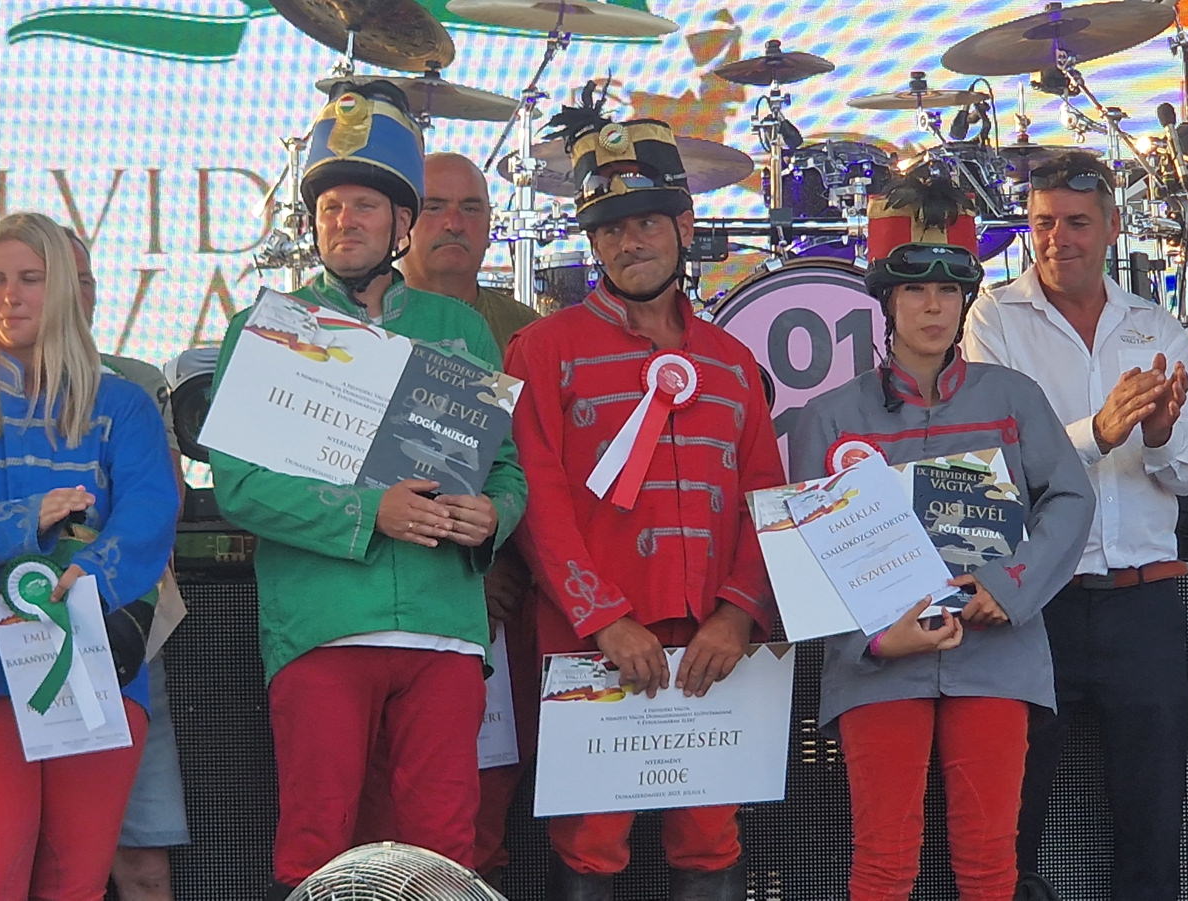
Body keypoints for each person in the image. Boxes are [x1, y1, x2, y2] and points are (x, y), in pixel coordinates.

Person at [206, 81, 526, 899]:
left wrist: (492, 513)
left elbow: (508, 469)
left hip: (445, 630)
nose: (344, 221)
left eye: (363, 206)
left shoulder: (460, 329)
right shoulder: (269, 328)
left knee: (443, 858)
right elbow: (240, 487)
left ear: (401, 222)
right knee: (316, 849)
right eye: (330, 208)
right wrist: (369, 510)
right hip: (323, 626)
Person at [504, 97, 783, 900]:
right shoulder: (541, 349)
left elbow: (766, 497)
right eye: (609, 229)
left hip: (715, 644)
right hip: (592, 639)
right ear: (592, 243)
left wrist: (737, 614)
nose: (629, 242)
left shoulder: (733, 362)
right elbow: (537, 502)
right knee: (589, 841)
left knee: (712, 837)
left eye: (647, 223)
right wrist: (603, 618)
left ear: (684, 226)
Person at [789, 185, 1094, 900]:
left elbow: (1072, 498)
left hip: (995, 656)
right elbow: (810, 551)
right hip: (879, 664)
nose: (933, 307)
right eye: (915, 290)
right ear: (886, 301)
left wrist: (1008, 587)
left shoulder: (1013, 396)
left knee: (990, 864)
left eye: (948, 291)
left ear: (965, 302)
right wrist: (873, 639)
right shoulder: (827, 417)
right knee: (883, 863)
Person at [0, 211, 179, 899]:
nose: (8, 296)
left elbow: (150, 512)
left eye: (29, 278)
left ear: (64, 289)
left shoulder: (125, 405)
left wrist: (91, 574)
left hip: (97, 664)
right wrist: (31, 517)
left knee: (75, 886)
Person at [961, 151, 1188, 900]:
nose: (1057, 239)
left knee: (1153, 825)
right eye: (1043, 222)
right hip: (1037, 601)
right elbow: (992, 464)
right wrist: (1097, 434)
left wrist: (1159, 434)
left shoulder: (1155, 323)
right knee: (1011, 825)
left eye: (1075, 222)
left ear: (1111, 227)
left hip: (1143, 601)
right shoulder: (993, 317)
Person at [397, 151, 540, 887]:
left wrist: (498, 561)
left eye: (472, 207)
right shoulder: (368, 321)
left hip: (504, 599)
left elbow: (534, 470)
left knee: (480, 805)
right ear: (402, 221)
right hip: (387, 599)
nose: (453, 223)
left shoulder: (526, 331)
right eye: (434, 206)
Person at [67, 230, 190, 901]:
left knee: (142, 862)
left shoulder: (135, 382)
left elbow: (163, 501)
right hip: (15, 648)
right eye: (60, 277)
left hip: (125, 640)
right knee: (49, 863)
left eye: (86, 278)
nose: (78, 293)